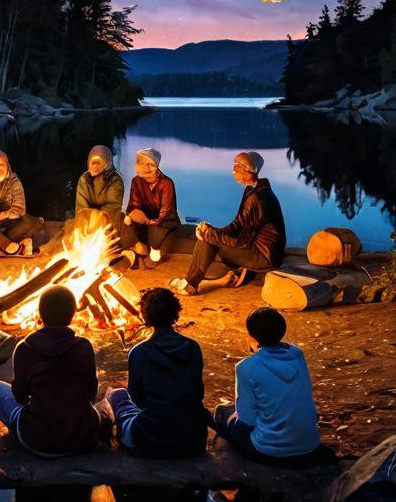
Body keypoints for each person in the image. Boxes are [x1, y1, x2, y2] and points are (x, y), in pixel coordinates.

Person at [0, 285, 108, 456]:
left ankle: (17, 434)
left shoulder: (24, 348)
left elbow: (20, 396)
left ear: (40, 314)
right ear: (73, 314)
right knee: (108, 400)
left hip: (37, 440)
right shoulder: (84, 346)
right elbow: (91, 394)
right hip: (82, 437)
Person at [103, 287, 207, 459]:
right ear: (176, 312)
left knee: (116, 395)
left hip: (152, 439)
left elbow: (136, 398)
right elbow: (198, 391)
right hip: (193, 438)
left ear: (145, 316)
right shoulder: (192, 347)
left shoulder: (139, 353)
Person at [211, 307, 321, 464]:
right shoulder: (297, 354)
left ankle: (227, 460)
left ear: (252, 337)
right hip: (310, 446)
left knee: (222, 412)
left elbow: (246, 418)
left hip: (269, 451)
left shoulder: (246, 367)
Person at [171, 151, 286, 295]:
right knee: (209, 237)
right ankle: (195, 280)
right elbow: (237, 224)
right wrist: (213, 230)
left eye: (237, 168)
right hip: (256, 251)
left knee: (206, 241)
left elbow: (243, 242)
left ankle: (191, 284)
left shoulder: (257, 198)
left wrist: (210, 236)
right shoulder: (252, 190)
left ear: (249, 172)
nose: (233, 171)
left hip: (264, 258)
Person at [123, 148, 179, 270]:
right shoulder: (136, 181)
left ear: (156, 166)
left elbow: (166, 210)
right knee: (126, 222)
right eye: (141, 163)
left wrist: (154, 222)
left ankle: (157, 252)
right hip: (146, 219)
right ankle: (138, 248)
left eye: (150, 164)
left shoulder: (166, 183)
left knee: (154, 234)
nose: (145, 168)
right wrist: (138, 216)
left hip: (164, 222)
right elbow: (134, 204)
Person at [73, 145, 124, 236]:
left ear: (106, 164)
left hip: (108, 223)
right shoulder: (84, 179)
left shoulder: (115, 179)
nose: (95, 167)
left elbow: (112, 205)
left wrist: (96, 221)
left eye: (98, 163)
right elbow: (81, 205)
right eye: (93, 163)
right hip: (88, 222)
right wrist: (84, 222)